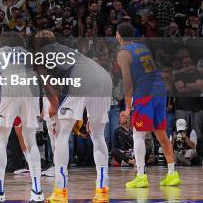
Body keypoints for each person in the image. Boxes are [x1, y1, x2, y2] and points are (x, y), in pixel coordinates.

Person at [36, 30, 112, 203]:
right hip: (103, 77)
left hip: (82, 78)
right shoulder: (66, 49)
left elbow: (48, 86)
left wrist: (57, 110)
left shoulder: (39, 54)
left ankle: (60, 192)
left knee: (62, 135)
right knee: (98, 135)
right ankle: (102, 191)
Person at [116, 22, 181, 188]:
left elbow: (128, 83)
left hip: (144, 95)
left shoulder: (123, 53)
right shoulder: (142, 47)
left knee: (138, 135)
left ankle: (140, 176)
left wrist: (128, 107)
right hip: (159, 91)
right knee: (161, 133)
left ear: (118, 35)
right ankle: (173, 174)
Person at [0, 37, 44, 203]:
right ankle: (37, 191)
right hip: (30, 84)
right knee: (31, 140)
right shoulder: (27, 53)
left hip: (10, 83)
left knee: (1, 140)